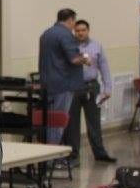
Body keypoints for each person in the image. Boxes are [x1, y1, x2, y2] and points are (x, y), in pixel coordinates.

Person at [63, 19, 116, 162]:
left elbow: (104, 67)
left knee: (94, 122)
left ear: (88, 31)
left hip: (92, 87)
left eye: (83, 30)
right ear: (74, 31)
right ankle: (73, 155)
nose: (80, 33)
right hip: (74, 88)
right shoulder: (69, 46)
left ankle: (100, 153)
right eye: (77, 30)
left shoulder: (96, 46)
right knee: (72, 124)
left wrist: (108, 88)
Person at [38, 8, 87, 144]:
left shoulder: (46, 34)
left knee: (50, 121)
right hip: (63, 84)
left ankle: (46, 157)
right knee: (58, 122)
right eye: (74, 22)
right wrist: (85, 59)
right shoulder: (66, 35)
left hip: (48, 83)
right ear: (70, 20)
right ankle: (52, 157)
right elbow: (74, 59)